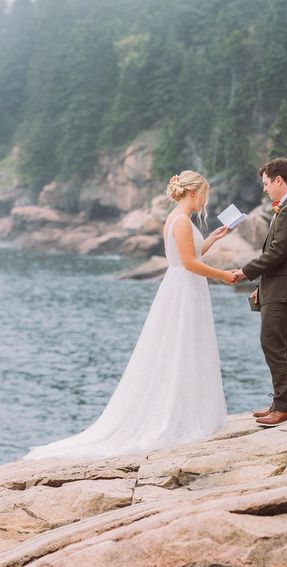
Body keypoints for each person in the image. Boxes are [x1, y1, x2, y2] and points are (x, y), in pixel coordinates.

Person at [22, 170, 235, 460]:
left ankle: (188, 412)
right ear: (192, 192)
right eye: (203, 194)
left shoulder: (175, 218)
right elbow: (188, 263)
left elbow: (190, 256)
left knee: (185, 349)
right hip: (184, 288)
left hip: (181, 288)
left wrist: (211, 238)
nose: (204, 200)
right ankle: (182, 417)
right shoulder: (182, 221)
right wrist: (222, 275)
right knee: (182, 349)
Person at [232, 157, 287, 426]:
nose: (265, 188)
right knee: (282, 345)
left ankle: (284, 406)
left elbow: (277, 253)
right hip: (278, 286)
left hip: (284, 288)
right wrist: (260, 287)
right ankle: (283, 403)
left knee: (272, 343)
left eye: (266, 183)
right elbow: (278, 254)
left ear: (279, 180)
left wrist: (245, 272)